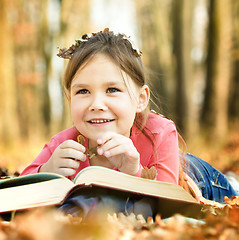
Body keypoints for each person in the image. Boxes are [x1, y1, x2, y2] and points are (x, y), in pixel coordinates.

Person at [21, 28, 238, 218]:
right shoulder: (65, 143)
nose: (97, 104)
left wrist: (134, 172)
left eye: (112, 90)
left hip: (198, 179)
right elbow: (18, 188)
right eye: (83, 91)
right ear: (70, 98)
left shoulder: (159, 132)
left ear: (140, 99)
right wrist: (48, 169)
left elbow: (171, 204)